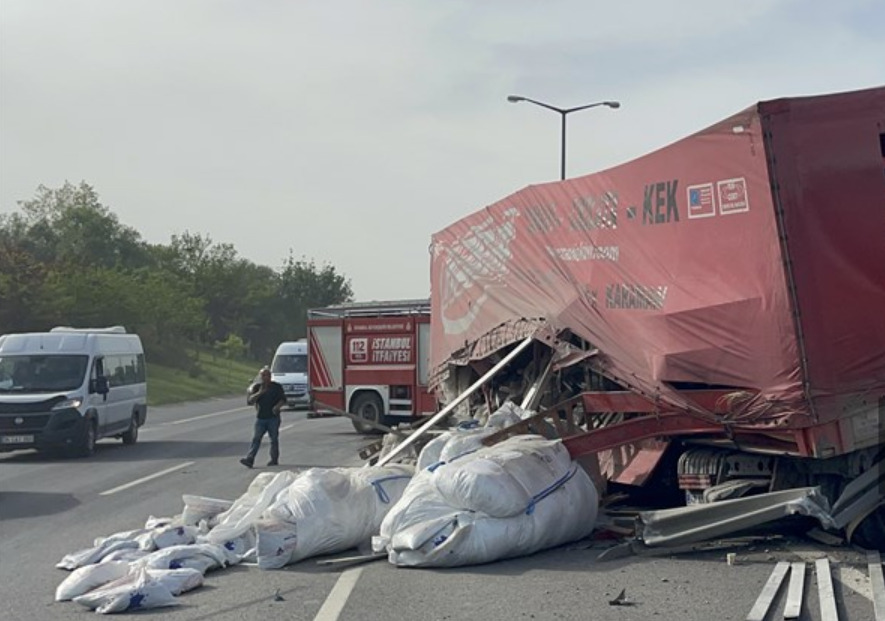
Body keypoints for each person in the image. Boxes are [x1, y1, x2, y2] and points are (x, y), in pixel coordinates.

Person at [240, 366, 286, 468]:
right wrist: (260, 393)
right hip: (261, 418)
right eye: (263, 375)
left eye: (267, 375)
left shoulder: (276, 387)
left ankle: (274, 459)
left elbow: (283, 399)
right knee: (256, 439)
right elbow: (250, 401)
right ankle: (250, 459)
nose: (265, 377)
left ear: (270, 376)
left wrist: (277, 407)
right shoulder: (257, 387)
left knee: (273, 439)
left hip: (273, 417)